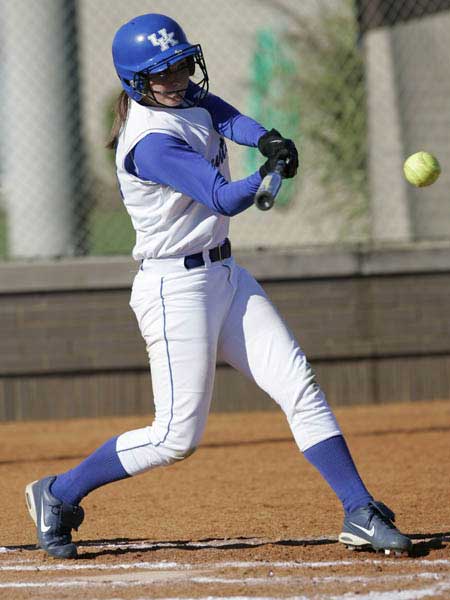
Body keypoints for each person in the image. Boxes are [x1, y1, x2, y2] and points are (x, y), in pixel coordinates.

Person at [24, 13, 412, 560]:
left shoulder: (184, 100)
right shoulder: (149, 142)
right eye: (165, 71)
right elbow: (224, 197)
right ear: (137, 82)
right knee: (174, 439)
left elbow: (225, 116)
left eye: (183, 62)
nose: (180, 76)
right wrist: (263, 173)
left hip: (225, 275)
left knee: (298, 383)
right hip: (173, 291)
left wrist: (269, 140)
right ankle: (58, 493)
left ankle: (359, 510)